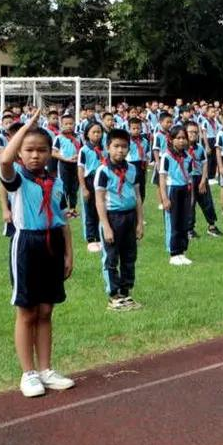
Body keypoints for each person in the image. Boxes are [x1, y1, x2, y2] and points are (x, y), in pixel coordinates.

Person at [0, 109, 75, 398]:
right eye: (28, 150)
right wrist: (28, 126)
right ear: (20, 152)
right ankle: (28, 373)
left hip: (53, 244)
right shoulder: (17, 178)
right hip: (27, 245)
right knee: (27, 310)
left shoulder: (56, 181)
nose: (35, 155)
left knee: (46, 310)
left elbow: (62, 220)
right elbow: (5, 160)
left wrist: (69, 254)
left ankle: (45, 369)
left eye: (41, 150)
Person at [94, 129, 144, 310]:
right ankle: (113, 295)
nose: (120, 150)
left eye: (124, 147)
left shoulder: (132, 169)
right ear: (108, 147)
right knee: (111, 257)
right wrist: (106, 226)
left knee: (129, 256)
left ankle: (126, 292)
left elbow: (137, 196)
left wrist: (140, 222)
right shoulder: (103, 171)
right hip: (112, 217)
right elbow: (99, 200)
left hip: (129, 216)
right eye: (116, 146)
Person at [159, 125, 194, 265]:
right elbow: (162, 178)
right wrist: (164, 198)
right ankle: (173, 252)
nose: (181, 141)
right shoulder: (166, 156)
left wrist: (191, 196)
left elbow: (190, 177)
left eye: (184, 138)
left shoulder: (188, 157)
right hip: (172, 189)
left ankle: (182, 250)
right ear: (171, 140)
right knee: (173, 221)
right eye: (178, 138)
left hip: (185, 189)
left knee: (184, 221)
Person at [184, 122, 222, 239]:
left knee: (207, 202)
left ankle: (212, 226)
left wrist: (203, 180)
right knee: (190, 203)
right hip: (188, 179)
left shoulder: (200, 148)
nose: (193, 134)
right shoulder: (182, 149)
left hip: (200, 177)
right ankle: (189, 229)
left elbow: (205, 164)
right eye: (190, 132)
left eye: (196, 132)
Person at [77, 122, 107, 252]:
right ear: (87, 134)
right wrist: (84, 187)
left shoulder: (104, 149)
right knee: (89, 210)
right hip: (89, 180)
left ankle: (100, 236)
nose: (96, 134)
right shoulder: (84, 150)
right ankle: (91, 238)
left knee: (101, 208)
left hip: (102, 181)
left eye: (99, 132)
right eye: (93, 132)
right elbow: (81, 169)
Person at [52, 114, 81, 216]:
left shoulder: (78, 137)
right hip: (64, 165)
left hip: (76, 165)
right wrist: (66, 159)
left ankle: (73, 208)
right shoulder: (59, 138)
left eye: (71, 124)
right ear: (61, 125)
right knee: (64, 187)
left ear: (74, 124)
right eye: (66, 124)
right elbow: (54, 152)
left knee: (74, 187)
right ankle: (64, 209)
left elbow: (81, 150)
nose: (69, 126)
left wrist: (77, 156)